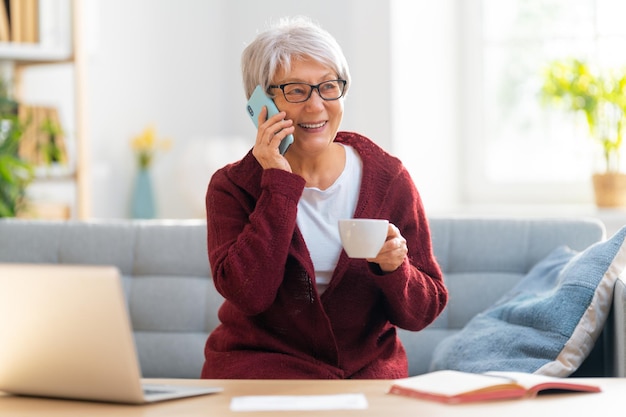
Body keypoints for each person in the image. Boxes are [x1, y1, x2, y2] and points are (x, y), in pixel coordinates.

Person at [201, 16, 448, 379]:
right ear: (260, 102)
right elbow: (249, 295)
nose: (317, 106)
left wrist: (396, 268)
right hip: (260, 372)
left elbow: (422, 312)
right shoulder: (231, 187)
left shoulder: (388, 179)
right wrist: (277, 184)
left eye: (328, 86)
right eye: (296, 90)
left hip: (364, 377)